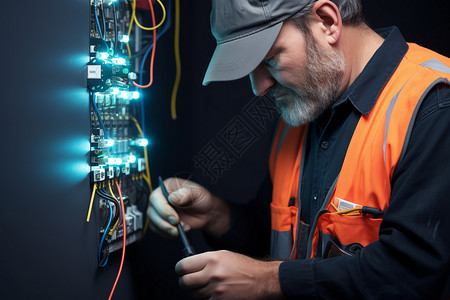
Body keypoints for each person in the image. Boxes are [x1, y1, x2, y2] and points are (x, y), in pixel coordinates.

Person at [148, 0, 450, 298]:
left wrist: (267, 281)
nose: (258, 87)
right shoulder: (305, 107)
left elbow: (412, 274)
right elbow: (277, 237)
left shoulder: (434, 106)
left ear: (327, 22)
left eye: (269, 60)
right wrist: (215, 214)